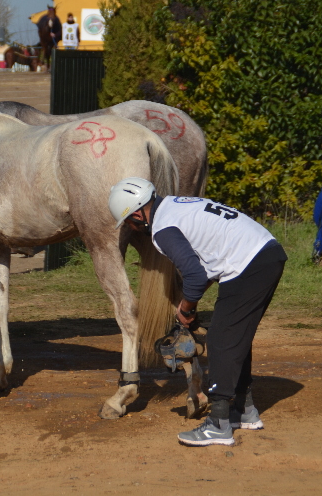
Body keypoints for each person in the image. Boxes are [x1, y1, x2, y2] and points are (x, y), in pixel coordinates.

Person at [108, 178, 287, 447]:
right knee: (234, 337)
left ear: (137, 214)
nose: (133, 229)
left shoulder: (162, 229)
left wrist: (187, 308)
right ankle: (244, 411)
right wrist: (186, 305)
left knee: (220, 341)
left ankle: (218, 425)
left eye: (130, 224)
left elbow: (194, 273)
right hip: (264, 254)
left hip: (248, 263)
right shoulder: (174, 206)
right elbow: (204, 265)